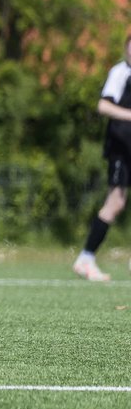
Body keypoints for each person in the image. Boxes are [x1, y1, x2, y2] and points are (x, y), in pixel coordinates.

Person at [72, 35, 131, 282]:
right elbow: (103, 106)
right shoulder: (120, 72)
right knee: (115, 203)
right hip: (121, 147)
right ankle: (86, 258)